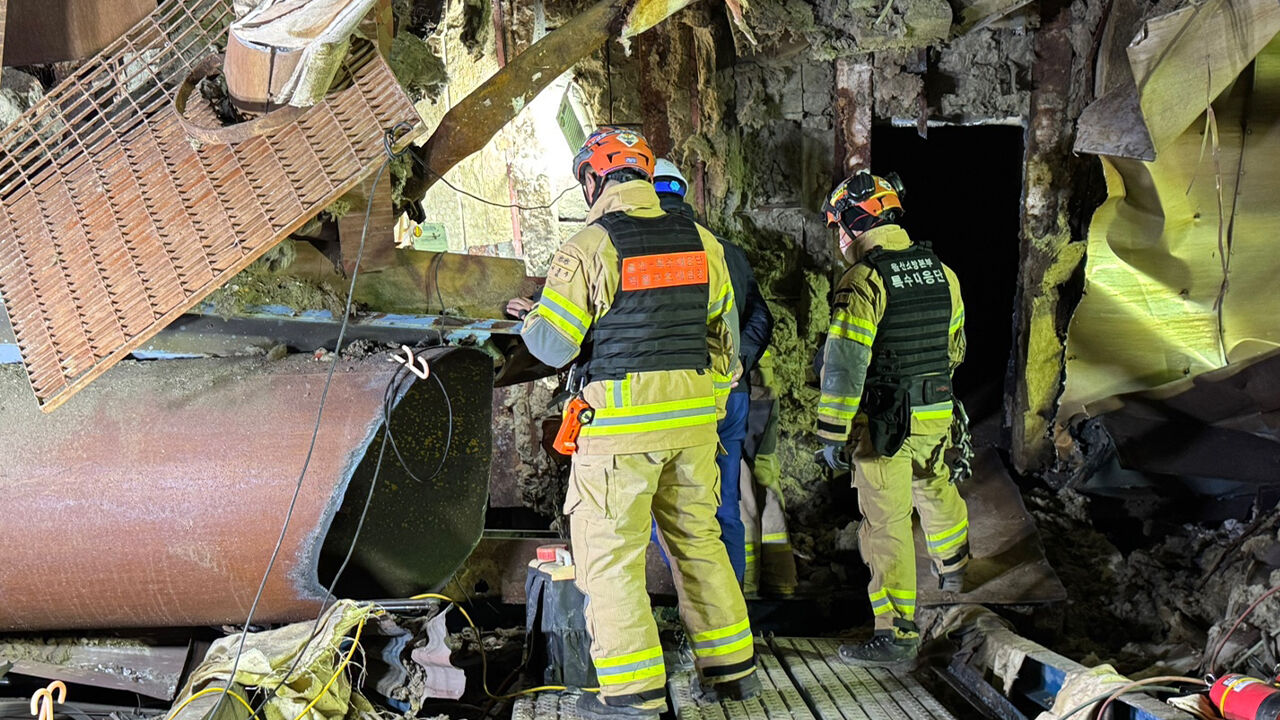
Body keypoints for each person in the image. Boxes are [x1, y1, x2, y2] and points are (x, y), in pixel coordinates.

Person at [511, 127, 759, 718]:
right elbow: (725, 339)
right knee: (699, 544)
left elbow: (551, 345)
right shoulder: (703, 242)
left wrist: (533, 316)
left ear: (595, 179)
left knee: (611, 558)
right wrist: (704, 399)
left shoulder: (591, 245)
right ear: (644, 174)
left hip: (622, 434)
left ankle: (632, 695)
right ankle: (733, 673)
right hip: (696, 427)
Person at [815, 170, 969, 666]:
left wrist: (833, 433)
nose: (839, 238)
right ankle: (955, 564)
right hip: (936, 407)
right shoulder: (941, 271)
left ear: (858, 223)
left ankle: (896, 630)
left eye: (840, 225)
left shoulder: (864, 281)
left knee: (887, 521)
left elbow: (845, 365)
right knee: (934, 481)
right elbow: (955, 347)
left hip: (886, 422)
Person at [650, 159, 774, 584]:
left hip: (679, 402)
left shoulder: (647, 248)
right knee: (725, 510)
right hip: (733, 395)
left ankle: (698, 616)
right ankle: (732, 614)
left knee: (666, 510)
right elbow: (762, 316)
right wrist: (741, 359)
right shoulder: (728, 251)